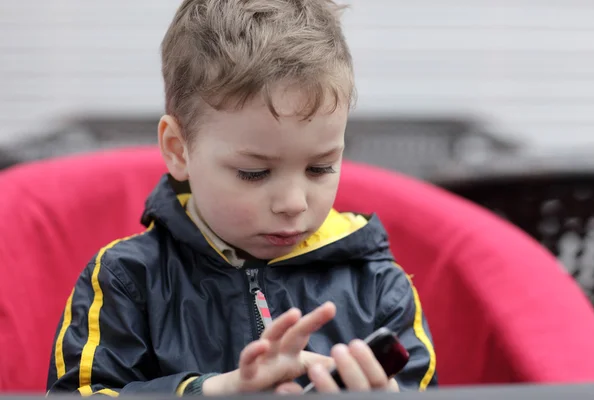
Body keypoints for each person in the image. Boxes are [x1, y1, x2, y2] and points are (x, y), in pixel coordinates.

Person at [46, 0, 437, 395]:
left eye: (320, 168)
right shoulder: (127, 279)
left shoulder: (380, 286)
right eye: (255, 173)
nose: (293, 203)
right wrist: (216, 391)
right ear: (179, 150)